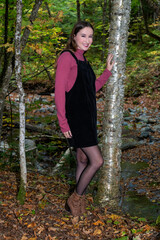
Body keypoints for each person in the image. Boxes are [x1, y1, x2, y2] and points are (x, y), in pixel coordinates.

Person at [55, 21, 114, 217]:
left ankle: (75, 210)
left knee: (82, 159)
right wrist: (63, 123)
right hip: (76, 118)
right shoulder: (67, 58)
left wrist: (107, 72)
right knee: (97, 161)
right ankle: (75, 199)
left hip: (88, 117)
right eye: (83, 36)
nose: (87, 40)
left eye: (90, 36)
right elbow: (59, 93)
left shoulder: (84, 61)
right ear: (74, 36)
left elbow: (90, 90)